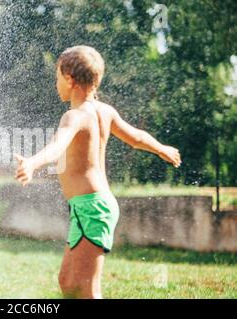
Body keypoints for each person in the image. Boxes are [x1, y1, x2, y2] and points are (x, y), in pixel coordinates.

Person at [14, 45, 181, 299]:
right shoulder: (105, 111)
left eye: (57, 77)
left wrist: (32, 163)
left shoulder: (74, 116)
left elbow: (57, 146)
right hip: (88, 207)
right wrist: (161, 148)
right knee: (68, 283)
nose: (56, 83)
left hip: (93, 208)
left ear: (69, 79)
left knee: (88, 289)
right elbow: (136, 137)